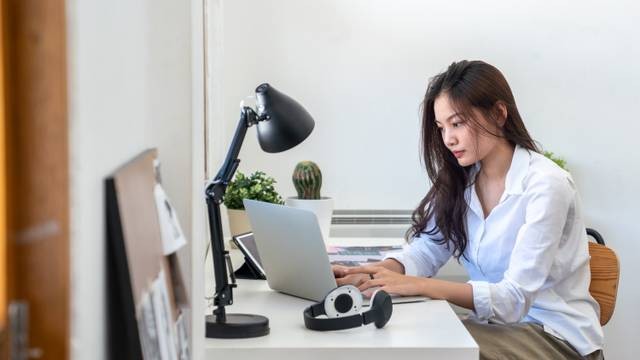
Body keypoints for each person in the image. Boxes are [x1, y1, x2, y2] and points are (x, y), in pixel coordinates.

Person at [333, 60, 604, 359]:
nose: (448, 138)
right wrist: (377, 273)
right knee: (396, 338)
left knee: (424, 349)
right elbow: (430, 247)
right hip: (496, 330)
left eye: (457, 123)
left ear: (499, 114)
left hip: (555, 338)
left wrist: (417, 285)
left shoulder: (546, 185)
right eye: (441, 127)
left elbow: (514, 299)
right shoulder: (463, 181)